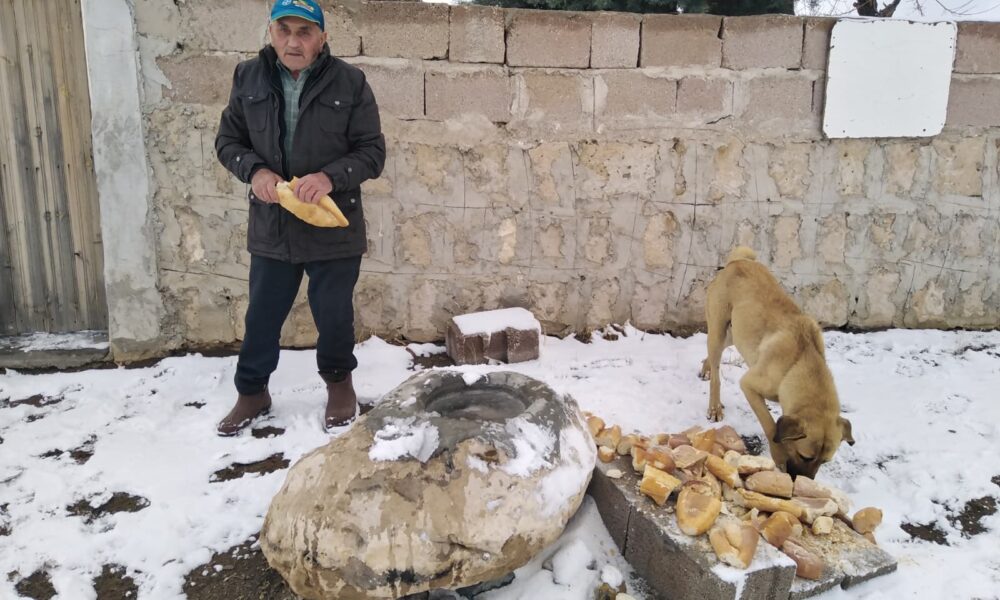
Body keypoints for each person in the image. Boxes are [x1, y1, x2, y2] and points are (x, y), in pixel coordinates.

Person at [214, 0, 385, 435]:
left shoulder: (350, 81)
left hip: (332, 223)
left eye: (305, 32)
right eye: (284, 30)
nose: (293, 41)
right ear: (271, 32)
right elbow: (228, 142)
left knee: (334, 315)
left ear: (322, 38)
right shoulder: (248, 77)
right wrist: (255, 172)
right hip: (273, 224)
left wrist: (330, 177)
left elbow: (372, 152)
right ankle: (252, 392)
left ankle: (339, 385)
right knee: (262, 316)